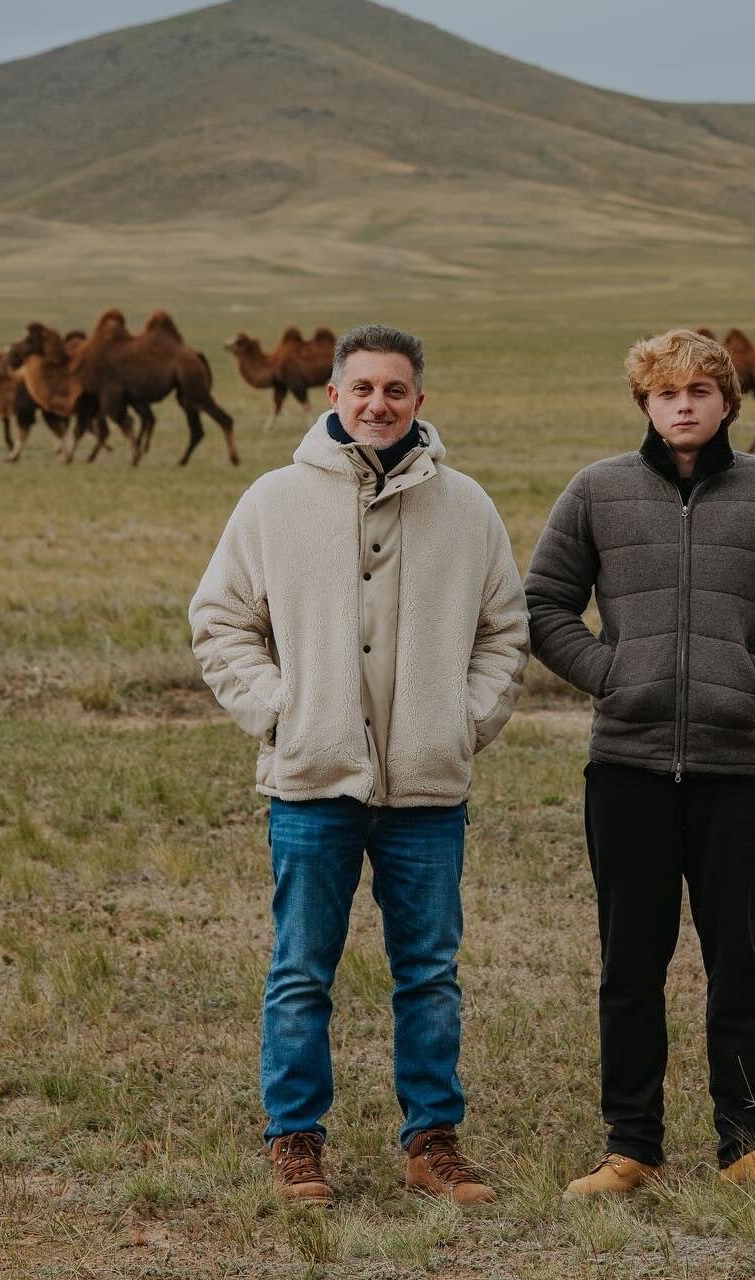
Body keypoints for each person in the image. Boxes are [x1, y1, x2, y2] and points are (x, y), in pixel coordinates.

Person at [190, 324, 528, 1208]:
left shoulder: (468, 508)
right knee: (302, 971)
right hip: (313, 780)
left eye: (396, 390)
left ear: (420, 401)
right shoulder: (272, 502)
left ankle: (432, 1142)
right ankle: (295, 1141)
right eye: (364, 389)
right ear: (333, 396)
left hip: (427, 786)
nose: (380, 404)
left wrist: (462, 724)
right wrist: (283, 713)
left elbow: (504, 631)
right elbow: (220, 621)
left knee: (430, 974)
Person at [524, 327, 755, 1195]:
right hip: (626, 766)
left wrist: (754, 680)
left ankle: (747, 1145)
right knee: (629, 966)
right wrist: (610, 675)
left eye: (699, 391)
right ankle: (630, 1147)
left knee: (739, 963)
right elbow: (544, 605)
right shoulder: (595, 490)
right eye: (666, 392)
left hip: (736, 767)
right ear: (644, 402)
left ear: (727, 402)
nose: (682, 405)